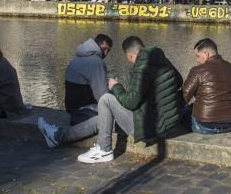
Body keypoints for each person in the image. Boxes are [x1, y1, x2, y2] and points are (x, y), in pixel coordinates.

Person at [39, 36, 184, 161]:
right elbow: (178, 81)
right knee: (102, 119)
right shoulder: (162, 59)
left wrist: (116, 86)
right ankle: (58, 136)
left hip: (148, 127)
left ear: (130, 55)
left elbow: (131, 102)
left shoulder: (141, 67)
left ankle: (104, 149)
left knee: (106, 99)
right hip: (164, 123)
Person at [181, 37, 231, 134]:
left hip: (203, 126)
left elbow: (183, 97)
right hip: (229, 125)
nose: (197, 60)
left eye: (197, 56)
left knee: (183, 112)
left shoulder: (198, 70)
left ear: (206, 54)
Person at [61, 34, 114, 117]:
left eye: (109, 50)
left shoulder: (76, 58)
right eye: (105, 49)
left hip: (71, 109)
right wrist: (114, 88)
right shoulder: (96, 62)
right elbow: (102, 96)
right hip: (84, 111)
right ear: (99, 45)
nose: (106, 53)